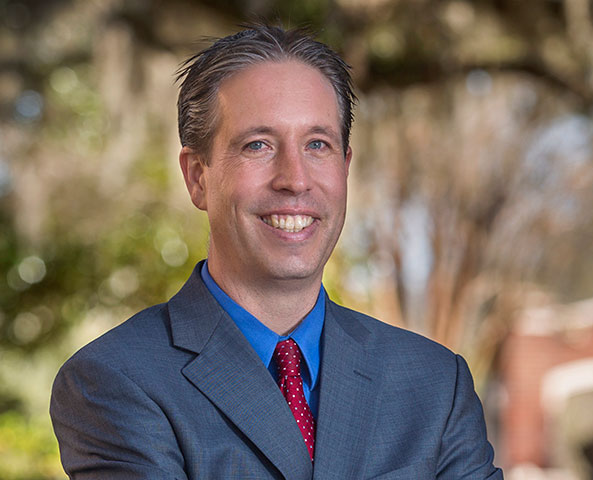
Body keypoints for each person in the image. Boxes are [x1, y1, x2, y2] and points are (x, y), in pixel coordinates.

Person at [50, 24, 503, 480]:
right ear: (197, 177)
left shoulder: (436, 385)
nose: (295, 178)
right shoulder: (115, 381)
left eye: (317, 145)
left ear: (345, 168)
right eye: (258, 145)